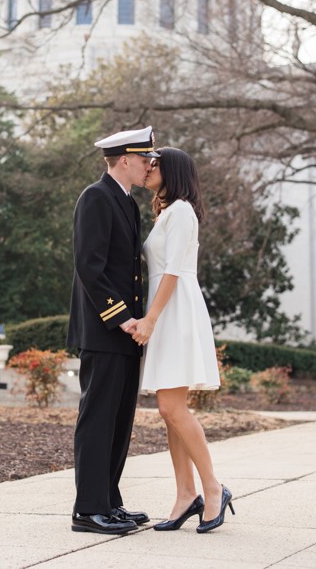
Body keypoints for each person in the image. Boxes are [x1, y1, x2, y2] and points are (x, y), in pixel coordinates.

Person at [129, 147, 233, 534]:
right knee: (169, 410)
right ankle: (186, 493)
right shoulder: (167, 212)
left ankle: (212, 487)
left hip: (174, 311)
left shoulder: (182, 211)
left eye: (154, 165)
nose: (147, 169)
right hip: (167, 307)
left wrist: (151, 319)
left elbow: (173, 269)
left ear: (172, 171)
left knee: (174, 409)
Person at [67, 126, 159, 535]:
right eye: (144, 160)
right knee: (98, 419)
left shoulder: (126, 203)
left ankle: (110, 502)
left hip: (126, 331)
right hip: (106, 329)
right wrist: (122, 317)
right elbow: (90, 266)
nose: (148, 167)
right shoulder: (96, 197)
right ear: (125, 159)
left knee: (120, 421)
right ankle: (88, 509)